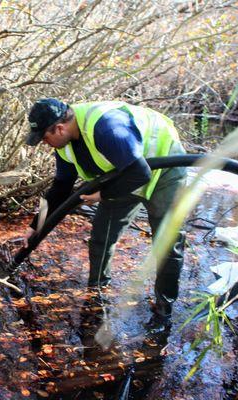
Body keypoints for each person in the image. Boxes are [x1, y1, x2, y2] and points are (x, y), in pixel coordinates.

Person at [22, 98, 187, 319]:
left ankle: (164, 308)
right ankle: (96, 296)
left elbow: (141, 173)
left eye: (44, 138)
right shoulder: (64, 145)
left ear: (59, 128)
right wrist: (36, 226)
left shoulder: (107, 127)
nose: (44, 143)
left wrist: (103, 194)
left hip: (164, 169)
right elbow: (61, 188)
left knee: (166, 242)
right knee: (102, 236)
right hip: (124, 174)